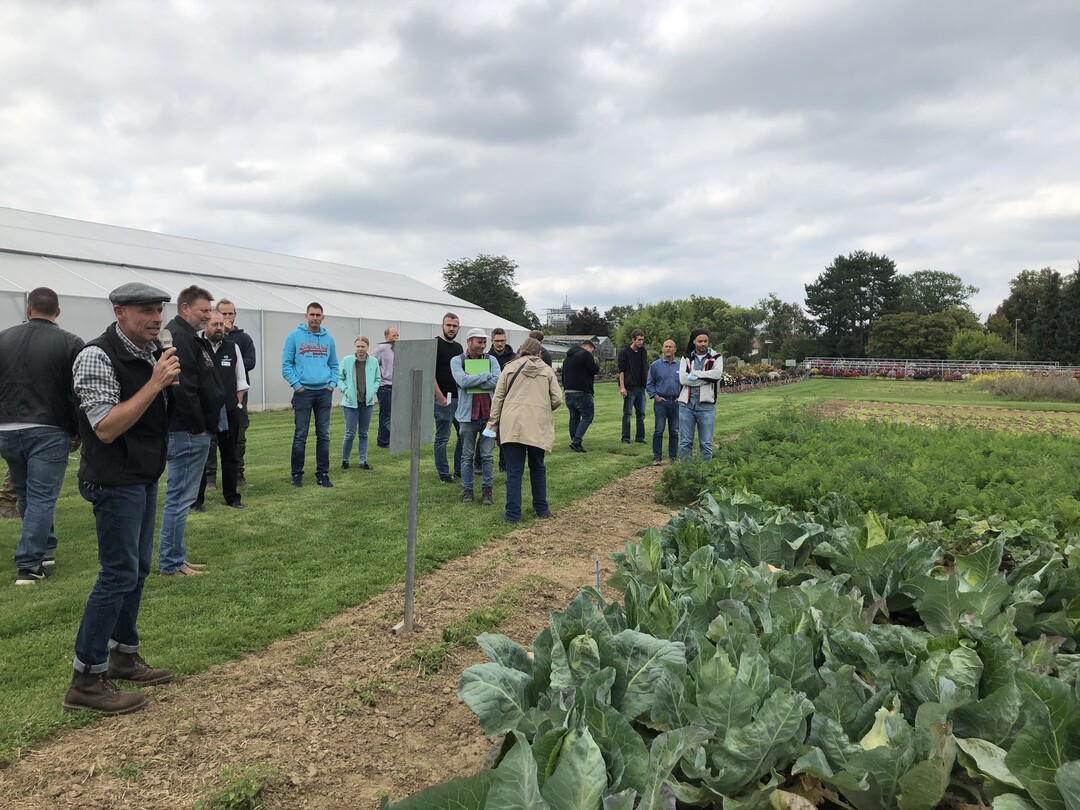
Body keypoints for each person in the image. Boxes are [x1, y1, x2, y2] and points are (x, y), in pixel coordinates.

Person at [64, 282, 180, 715]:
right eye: (146, 311)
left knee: (138, 569)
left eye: (159, 311)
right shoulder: (96, 356)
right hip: (114, 480)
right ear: (119, 312)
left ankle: (123, 655)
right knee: (116, 574)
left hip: (142, 476)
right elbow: (107, 427)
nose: (156, 319)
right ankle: (86, 680)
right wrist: (154, 384)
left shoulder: (150, 353)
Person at [0, 287, 84, 584]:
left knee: (25, 493)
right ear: (57, 312)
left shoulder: (4, 338)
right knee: (41, 497)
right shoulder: (71, 342)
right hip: (48, 427)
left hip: (7, 428)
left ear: (28, 308)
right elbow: (77, 392)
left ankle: (45, 548)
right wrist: (78, 430)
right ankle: (29, 565)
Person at [157, 286, 223, 577]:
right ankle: (171, 563)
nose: (208, 315)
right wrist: (198, 427)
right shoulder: (180, 338)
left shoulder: (190, 338)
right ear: (185, 309)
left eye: (209, 310)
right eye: (203, 310)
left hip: (193, 429)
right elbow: (183, 389)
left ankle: (176, 556)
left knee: (181, 497)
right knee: (180, 496)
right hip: (186, 431)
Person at [486, 338, 562, 524]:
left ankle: (512, 515)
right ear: (538, 353)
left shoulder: (509, 368)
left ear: (522, 351)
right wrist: (542, 408)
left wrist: (492, 424)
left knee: (513, 471)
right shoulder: (547, 370)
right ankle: (541, 509)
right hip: (537, 424)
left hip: (512, 424)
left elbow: (498, 399)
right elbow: (558, 398)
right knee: (538, 467)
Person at [192, 310, 247, 511]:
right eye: (214, 324)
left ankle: (232, 497)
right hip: (204, 411)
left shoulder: (233, 348)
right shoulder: (197, 347)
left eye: (221, 325)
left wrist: (237, 403)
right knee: (202, 455)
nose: (218, 328)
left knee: (229, 454)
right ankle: (196, 500)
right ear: (205, 326)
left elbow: (241, 379)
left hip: (228, 409)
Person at [282, 302, 338, 488]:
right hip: (303, 393)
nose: (315, 318)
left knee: (324, 434)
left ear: (323, 317)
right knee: (300, 434)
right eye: (312, 314)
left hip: (324, 392)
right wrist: (297, 385)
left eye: (318, 315)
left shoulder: (328, 339)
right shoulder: (294, 337)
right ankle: (297, 474)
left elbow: (334, 365)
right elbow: (286, 365)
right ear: (306, 315)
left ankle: (322, 473)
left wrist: (331, 384)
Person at [451, 329, 500, 505]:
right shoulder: (457, 360)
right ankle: (468, 491)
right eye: (479, 342)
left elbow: (497, 381)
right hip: (467, 417)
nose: (483, 346)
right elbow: (462, 382)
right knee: (466, 456)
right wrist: (486, 376)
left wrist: (476, 378)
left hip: (489, 416)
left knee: (487, 456)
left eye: (484, 343)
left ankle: (487, 491)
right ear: (469, 342)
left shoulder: (491, 359)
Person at [210, 299, 256, 487]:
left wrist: (232, 361)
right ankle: (209, 478)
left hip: (237, 393)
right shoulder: (208, 338)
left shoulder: (243, 339)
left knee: (238, 436)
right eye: (224, 314)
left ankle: (238, 474)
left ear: (235, 315)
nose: (227, 318)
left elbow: (250, 362)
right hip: (213, 394)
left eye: (230, 314)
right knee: (211, 437)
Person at [678, 329, 724, 461]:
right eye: (700, 341)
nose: (703, 344)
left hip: (706, 406)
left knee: (706, 444)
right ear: (694, 342)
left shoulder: (716, 357)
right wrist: (706, 379)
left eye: (705, 341)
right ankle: (687, 474)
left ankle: (705, 475)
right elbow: (683, 379)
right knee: (685, 443)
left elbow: (716, 375)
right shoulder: (686, 358)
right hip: (686, 406)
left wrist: (696, 374)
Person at [340, 335, 380, 470]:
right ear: (354, 347)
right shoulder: (347, 361)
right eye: (358, 346)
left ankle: (363, 461)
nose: (360, 349)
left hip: (366, 403)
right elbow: (340, 378)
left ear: (367, 347)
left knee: (364, 433)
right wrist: (345, 390)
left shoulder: (373, 362)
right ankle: (345, 459)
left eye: (363, 346)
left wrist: (373, 390)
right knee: (350, 433)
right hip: (350, 403)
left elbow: (377, 379)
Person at [433, 313, 463, 484]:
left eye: (455, 326)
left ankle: (459, 469)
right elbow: (430, 372)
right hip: (444, 399)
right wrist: (439, 396)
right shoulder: (435, 344)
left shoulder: (458, 348)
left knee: (463, 435)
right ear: (442, 325)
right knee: (443, 437)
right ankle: (444, 473)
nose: (451, 328)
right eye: (449, 325)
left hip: (460, 398)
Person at [646, 339, 681, 466]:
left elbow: (685, 383)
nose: (668, 349)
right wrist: (655, 396)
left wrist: (681, 397)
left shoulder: (681, 365)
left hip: (676, 401)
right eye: (666, 347)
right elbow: (649, 384)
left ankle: (673, 456)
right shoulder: (655, 366)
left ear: (675, 349)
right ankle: (657, 457)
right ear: (662, 349)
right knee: (659, 430)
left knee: (674, 431)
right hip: (661, 401)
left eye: (671, 347)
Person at [561, 339, 599, 453]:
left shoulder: (568, 357)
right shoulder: (585, 354)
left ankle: (574, 439)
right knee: (588, 416)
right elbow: (594, 369)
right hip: (582, 391)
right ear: (588, 347)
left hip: (568, 391)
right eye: (592, 350)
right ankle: (576, 441)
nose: (591, 353)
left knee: (574, 417)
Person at [487, 328, 515, 472]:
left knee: (506, 433)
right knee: (488, 431)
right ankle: (482, 461)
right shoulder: (486, 358)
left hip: (509, 400)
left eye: (502, 341)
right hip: (490, 399)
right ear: (492, 341)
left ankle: (504, 463)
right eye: (497, 341)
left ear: (506, 340)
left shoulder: (514, 358)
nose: (499, 344)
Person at [618, 329, 648, 444]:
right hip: (629, 387)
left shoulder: (643, 352)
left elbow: (645, 368)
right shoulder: (624, 352)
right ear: (633, 339)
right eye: (639, 340)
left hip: (640, 387)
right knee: (628, 413)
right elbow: (621, 370)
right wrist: (622, 386)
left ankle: (640, 437)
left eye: (642, 340)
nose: (641, 342)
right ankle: (625, 437)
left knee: (641, 413)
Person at [370, 325, 398, 448]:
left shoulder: (398, 349)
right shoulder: (381, 349)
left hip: (397, 386)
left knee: (395, 414)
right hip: (385, 386)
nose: (396, 338)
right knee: (385, 414)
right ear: (387, 337)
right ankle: (383, 441)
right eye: (394, 336)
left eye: (397, 335)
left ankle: (392, 439)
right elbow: (371, 363)